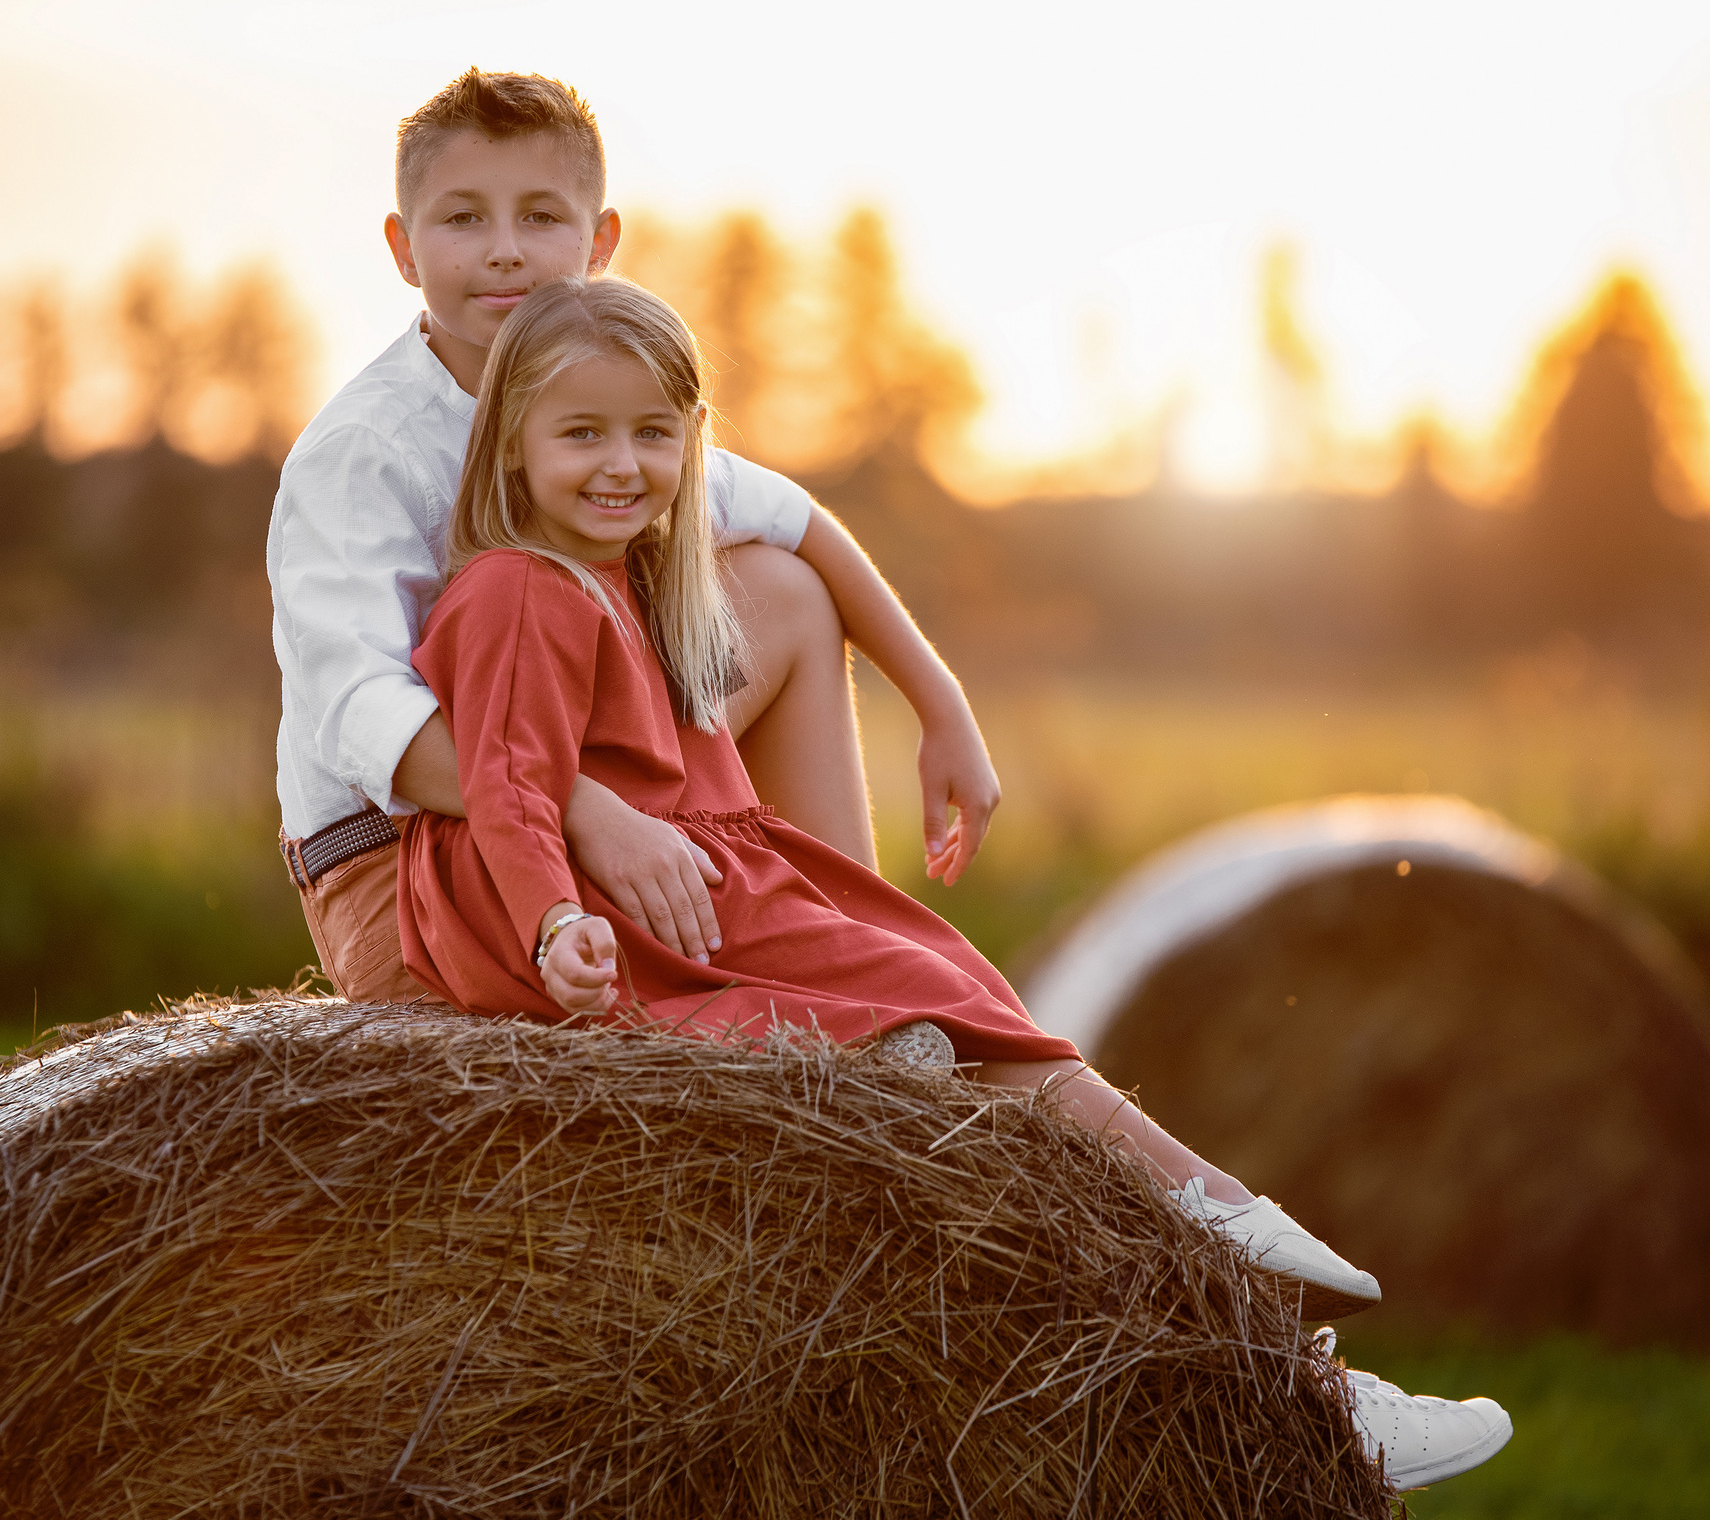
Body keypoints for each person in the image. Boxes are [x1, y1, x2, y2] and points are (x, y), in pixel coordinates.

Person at [398, 273, 1512, 1495]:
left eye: (652, 433)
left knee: (951, 993)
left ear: (691, 436)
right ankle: (1215, 1220)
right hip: (614, 917)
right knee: (943, 1004)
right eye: (583, 433)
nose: (622, 465)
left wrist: (932, 703)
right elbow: (509, 783)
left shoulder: (632, 578)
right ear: (511, 441)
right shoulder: (520, 587)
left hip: (673, 895)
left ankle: (1297, 1363)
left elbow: (790, 540)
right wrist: (554, 917)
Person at [269, 69, 1001, 1007]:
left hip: (576, 783)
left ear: (600, 243)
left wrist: (942, 705)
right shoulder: (360, 453)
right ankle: (824, 982)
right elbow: (366, 718)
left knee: (783, 589)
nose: (504, 250)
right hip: (404, 849)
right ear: (404, 249)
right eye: (464, 219)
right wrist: (586, 811)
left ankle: (845, 943)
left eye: (541, 216)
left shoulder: (602, 409)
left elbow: (794, 517)